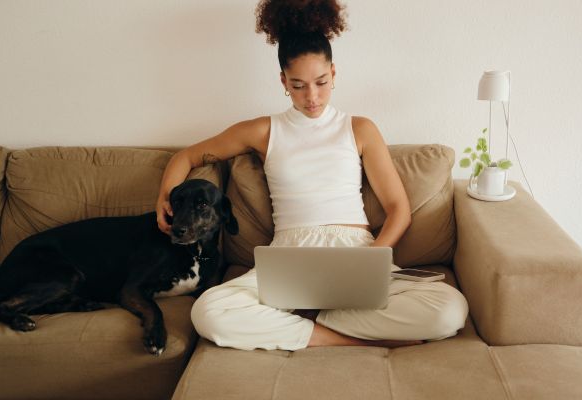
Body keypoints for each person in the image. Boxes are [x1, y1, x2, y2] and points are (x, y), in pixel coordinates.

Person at [155, 0, 468, 351]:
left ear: (334, 73)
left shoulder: (360, 129)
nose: (312, 96)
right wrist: (164, 198)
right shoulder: (263, 130)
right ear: (283, 81)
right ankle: (350, 340)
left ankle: (306, 320)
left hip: (355, 252)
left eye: (320, 82)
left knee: (450, 310)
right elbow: (187, 156)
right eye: (299, 85)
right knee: (208, 312)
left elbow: (399, 210)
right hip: (289, 257)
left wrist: (369, 262)